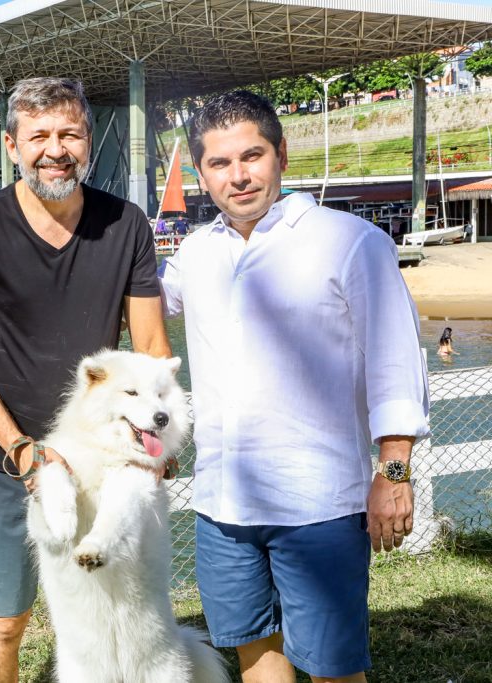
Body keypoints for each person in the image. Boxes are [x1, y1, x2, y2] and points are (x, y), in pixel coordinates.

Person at [159, 90, 430, 683]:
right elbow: (134, 309)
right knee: (255, 655)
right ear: (201, 174)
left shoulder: (349, 240)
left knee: (334, 669)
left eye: (251, 156)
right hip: (221, 504)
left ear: (281, 153)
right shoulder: (194, 254)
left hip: (318, 506)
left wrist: (394, 473)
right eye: (220, 164)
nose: (239, 176)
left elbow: (394, 361)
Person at [0, 77, 172, 683]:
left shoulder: (126, 224)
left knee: (115, 609)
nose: (54, 148)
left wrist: (153, 445)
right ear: (12, 144)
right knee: (4, 625)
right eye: (38, 135)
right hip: (5, 458)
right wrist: (21, 448)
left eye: (69, 133)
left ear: (89, 142)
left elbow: (150, 348)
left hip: (101, 456)